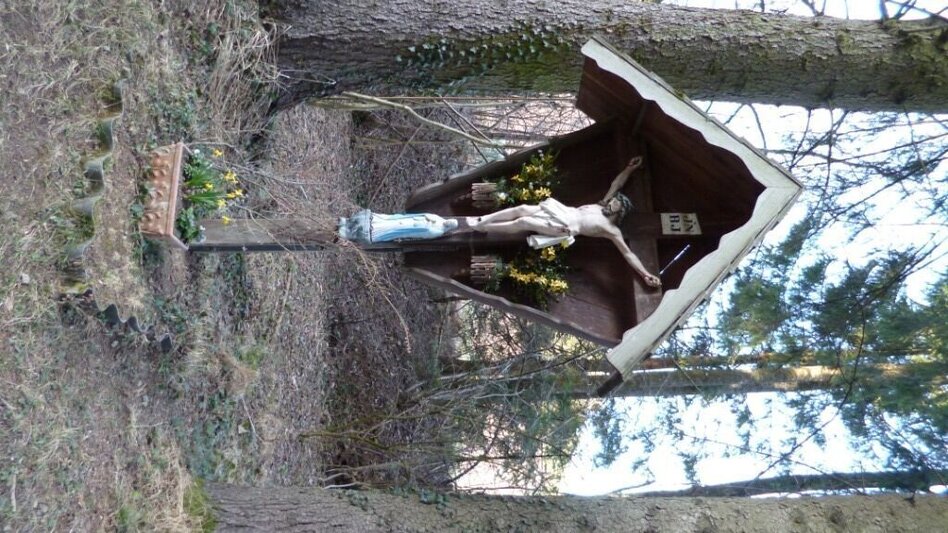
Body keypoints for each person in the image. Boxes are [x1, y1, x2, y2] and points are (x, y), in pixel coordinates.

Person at [465, 156, 662, 288]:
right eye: (614, 200)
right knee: (522, 208)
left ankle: (486, 227)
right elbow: (617, 183)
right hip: (561, 210)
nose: (612, 202)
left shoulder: (611, 230)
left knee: (524, 221)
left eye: (616, 203)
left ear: (620, 211)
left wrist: (644, 274)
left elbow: (628, 254)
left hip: (563, 228)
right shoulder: (600, 205)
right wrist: (629, 168)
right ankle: (484, 219)